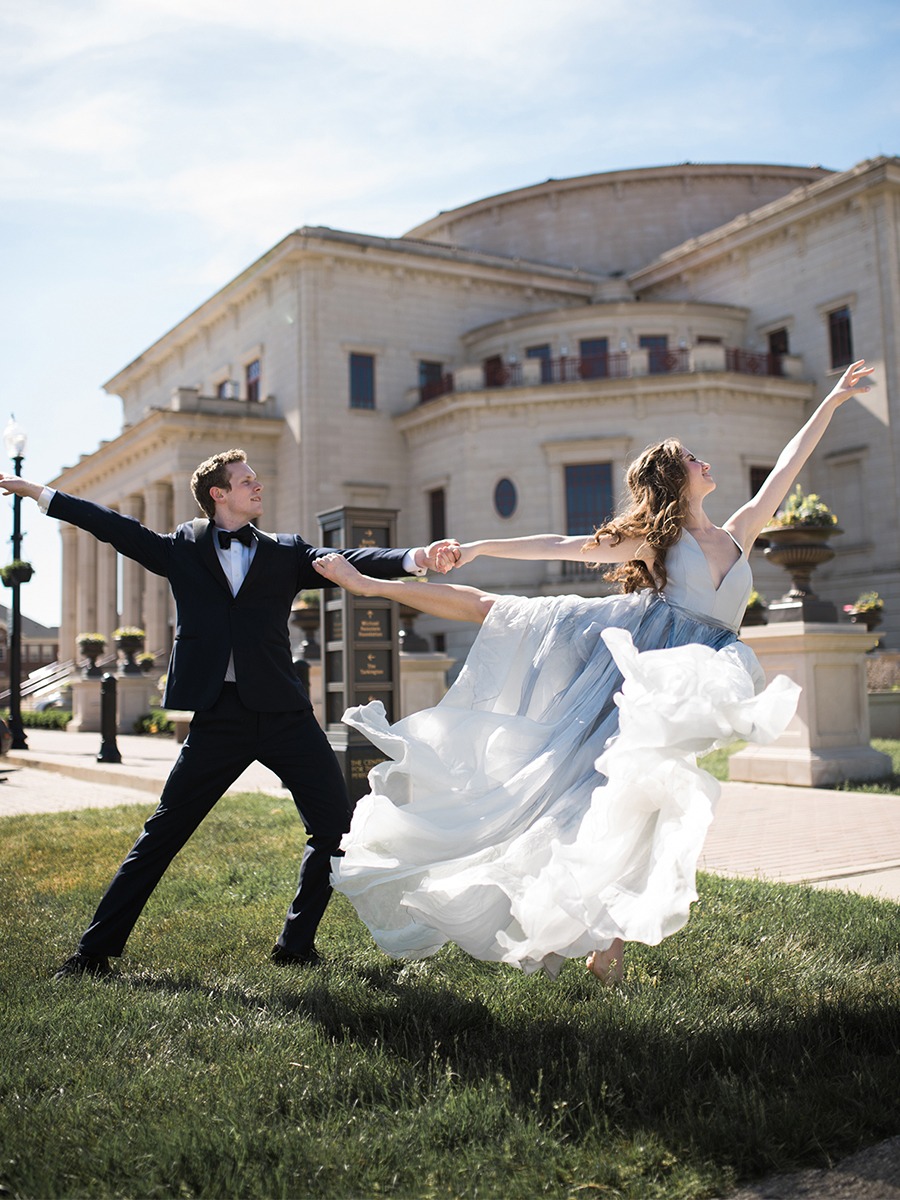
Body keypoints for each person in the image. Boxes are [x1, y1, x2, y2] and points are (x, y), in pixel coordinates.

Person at [311, 359, 875, 983]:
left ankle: (592, 942)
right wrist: (477, 546)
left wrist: (832, 400)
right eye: (691, 458)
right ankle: (368, 583)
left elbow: (789, 464)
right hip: (635, 670)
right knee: (501, 618)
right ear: (673, 478)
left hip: (686, 682)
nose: (704, 461)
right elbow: (558, 544)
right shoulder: (658, 542)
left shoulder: (739, 534)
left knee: (639, 808)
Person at [0, 449, 456, 979]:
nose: (257, 487)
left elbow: (347, 558)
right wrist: (41, 495)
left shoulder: (286, 552)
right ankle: (93, 954)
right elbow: (111, 526)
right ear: (219, 494)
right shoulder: (181, 550)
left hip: (286, 713)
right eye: (246, 482)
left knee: (335, 827)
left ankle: (296, 944)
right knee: (164, 833)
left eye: (257, 480)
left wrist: (419, 558)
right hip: (220, 717)